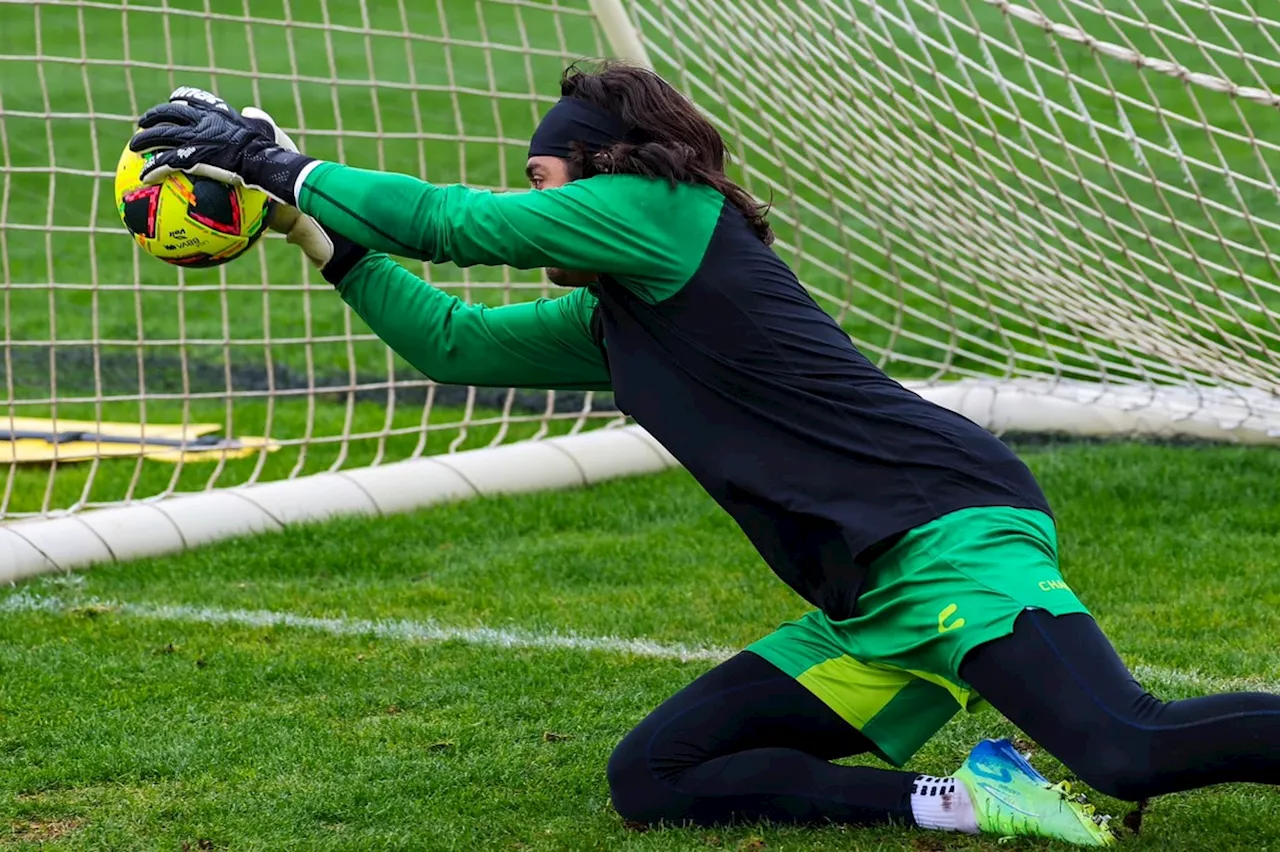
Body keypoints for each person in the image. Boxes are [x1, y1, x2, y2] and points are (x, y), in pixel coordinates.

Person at [129, 66, 1280, 847]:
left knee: (1125, 748)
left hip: (941, 534)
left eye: (541, 182)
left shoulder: (666, 214)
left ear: (604, 170)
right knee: (655, 779)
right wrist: (300, 225)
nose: (534, 210)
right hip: (863, 595)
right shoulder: (618, 320)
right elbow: (448, 339)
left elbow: (456, 227)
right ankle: (970, 797)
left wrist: (276, 161)